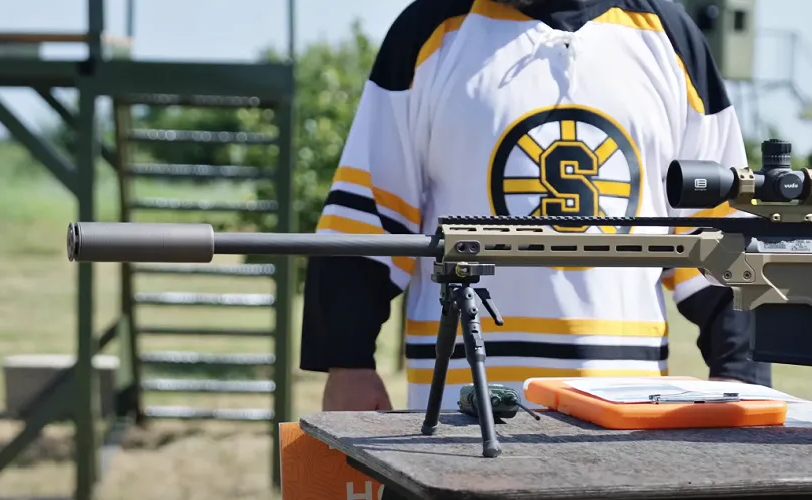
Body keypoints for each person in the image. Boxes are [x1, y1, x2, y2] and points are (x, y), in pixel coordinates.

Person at [297, 0, 771, 412]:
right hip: (460, 414)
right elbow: (366, 216)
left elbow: (724, 235)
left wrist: (740, 373)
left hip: (628, 414)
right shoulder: (429, 31)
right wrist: (348, 363)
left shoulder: (670, 39)